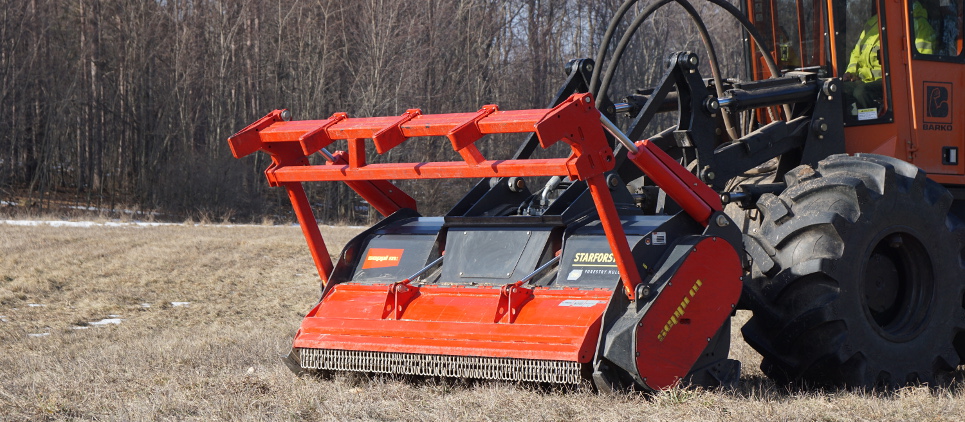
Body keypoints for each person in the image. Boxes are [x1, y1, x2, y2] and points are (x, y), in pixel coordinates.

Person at [842, 1, 936, 111]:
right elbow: (856, 53)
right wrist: (851, 72)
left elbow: (921, 65)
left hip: (892, 81)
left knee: (861, 92)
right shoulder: (873, 22)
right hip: (864, 79)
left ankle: (871, 123)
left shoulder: (918, 25)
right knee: (840, 90)